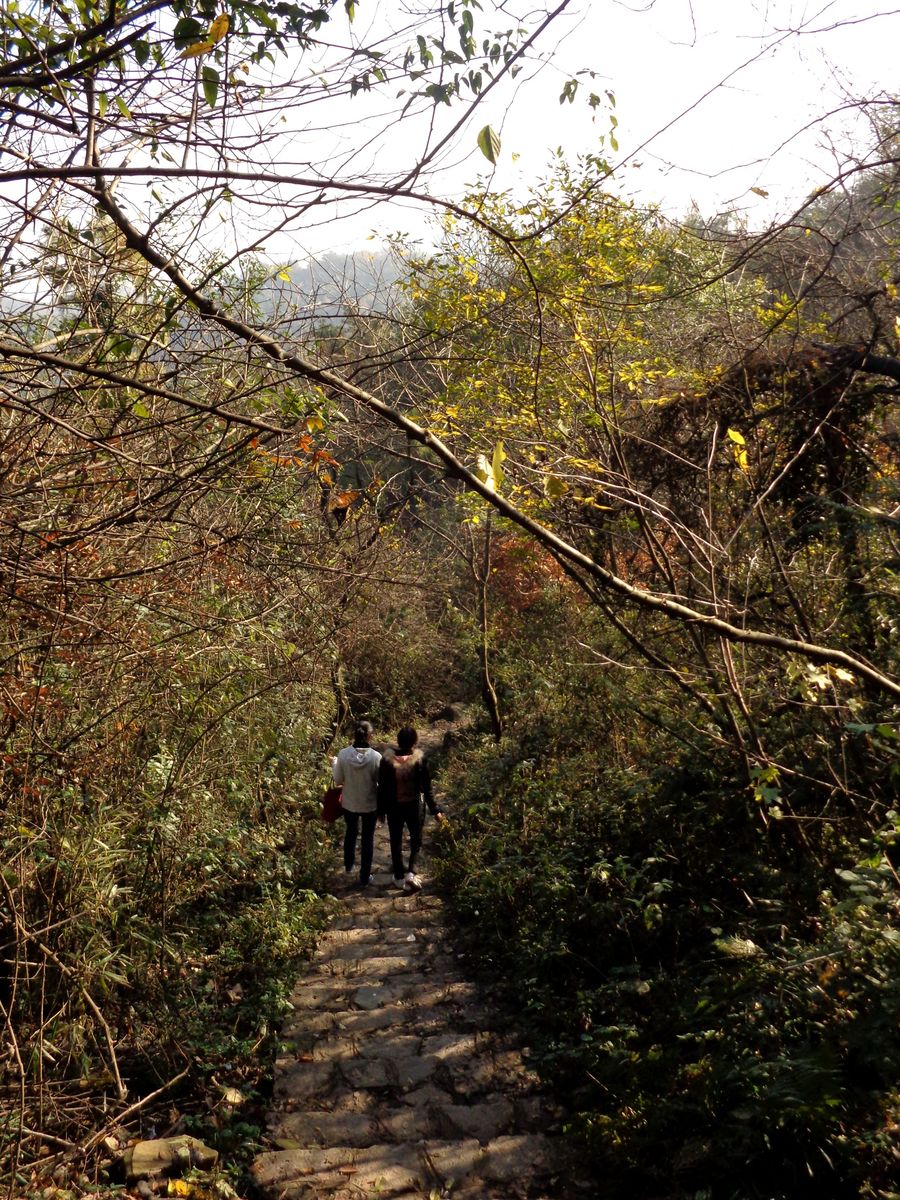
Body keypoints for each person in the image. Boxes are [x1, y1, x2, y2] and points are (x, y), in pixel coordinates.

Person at [378, 726, 443, 892]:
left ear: (398, 741)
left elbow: (383, 788)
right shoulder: (419, 759)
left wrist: (381, 810)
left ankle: (399, 877)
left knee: (395, 840)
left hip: (394, 807)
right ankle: (411, 873)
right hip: (414, 806)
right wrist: (435, 810)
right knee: (416, 840)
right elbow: (427, 788)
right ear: (415, 741)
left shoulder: (386, 760)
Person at [332, 720, 381, 887]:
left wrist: (334, 764)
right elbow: (380, 782)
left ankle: (348, 867)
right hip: (369, 804)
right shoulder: (376, 757)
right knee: (368, 839)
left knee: (351, 833)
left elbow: (338, 780)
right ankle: (365, 877)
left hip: (349, 802)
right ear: (369, 736)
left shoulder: (343, 754)